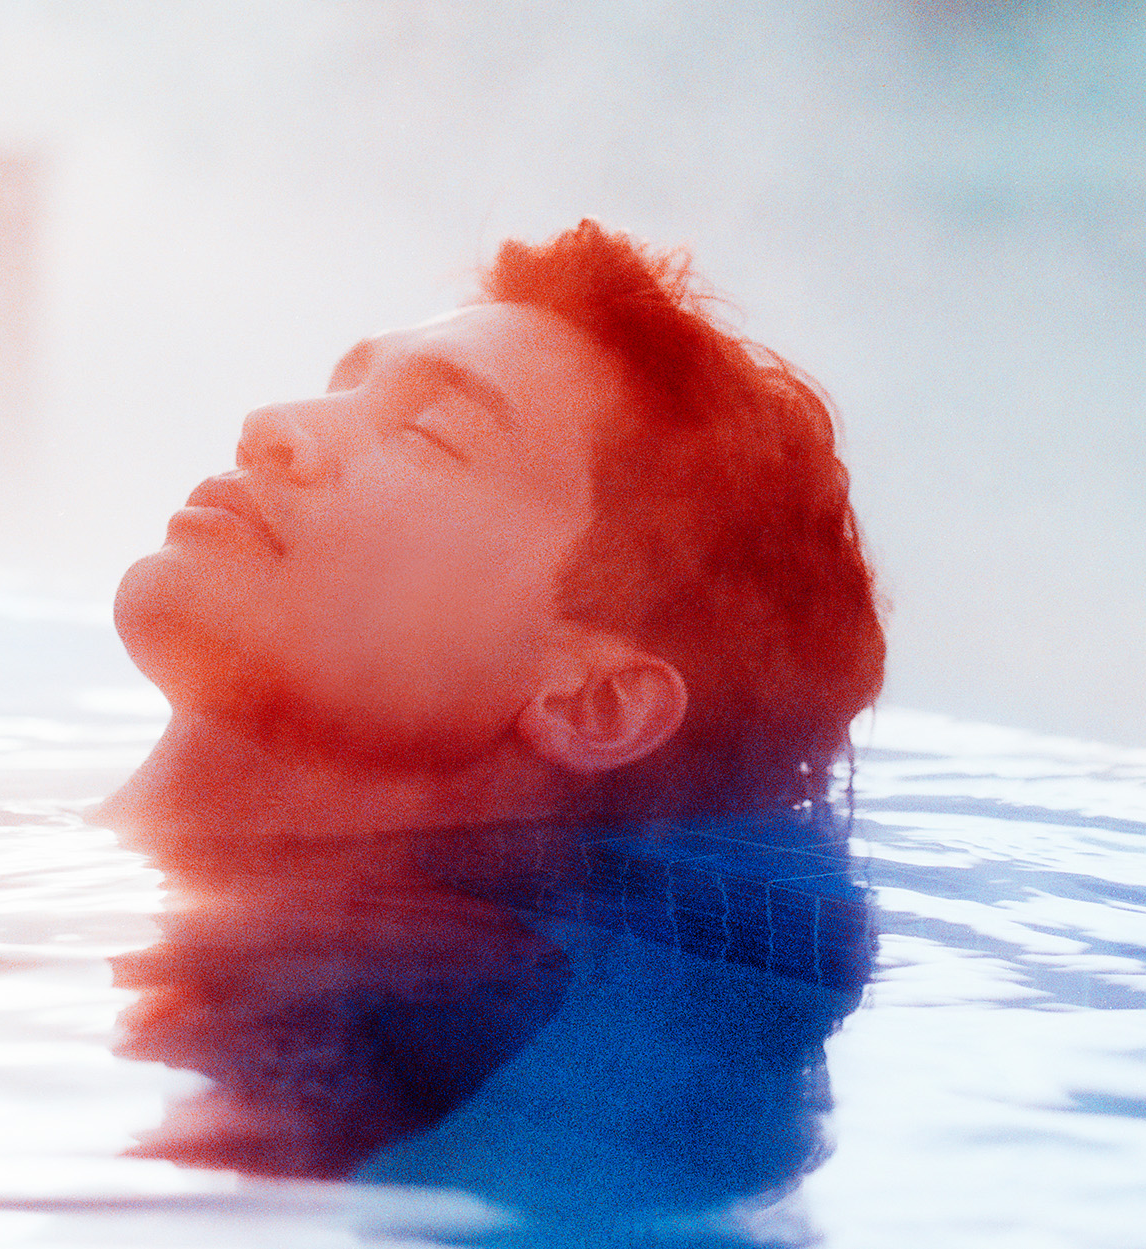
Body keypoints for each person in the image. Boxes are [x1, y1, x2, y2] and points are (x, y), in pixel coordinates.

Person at [94, 220, 884, 1245]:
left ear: (590, 702)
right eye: (343, 384)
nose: (274, 425)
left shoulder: (352, 1046)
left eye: (428, 432)